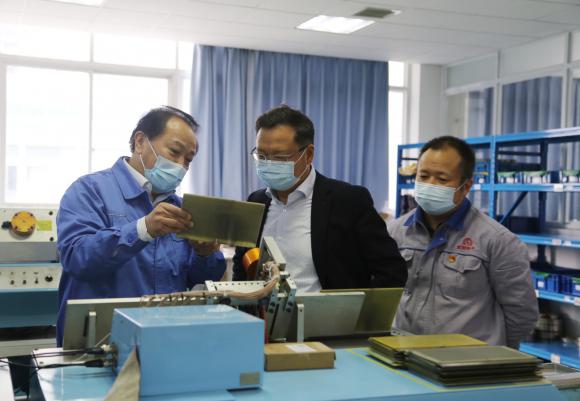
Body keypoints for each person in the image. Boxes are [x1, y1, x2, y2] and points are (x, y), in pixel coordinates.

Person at [56, 106, 225, 345]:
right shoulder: (89, 191)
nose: (181, 166)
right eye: (174, 152)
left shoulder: (180, 208)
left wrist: (204, 254)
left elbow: (196, 279)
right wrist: (142, 229)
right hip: (98, 344)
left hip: (163, 341)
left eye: (188, 160)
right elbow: (77, 258)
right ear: (140, 142)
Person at [233, 105, 407, 291]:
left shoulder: (348, 201)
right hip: (262, 310)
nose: (268, 164)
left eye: (279, 157)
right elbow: (241, 269)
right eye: (261, 156)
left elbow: (392, 271)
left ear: (308, 154)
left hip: (328, 310)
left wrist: (357, 308)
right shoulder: (256, 201)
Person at [388, 136, 538, 347]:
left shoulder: (498, 241)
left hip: (469, 362)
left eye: (442, 179)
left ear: (466, 186)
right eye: (423, 176)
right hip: (405, 354)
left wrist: (495, 356)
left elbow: (521, 314)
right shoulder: (395, 232)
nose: (430, 184)